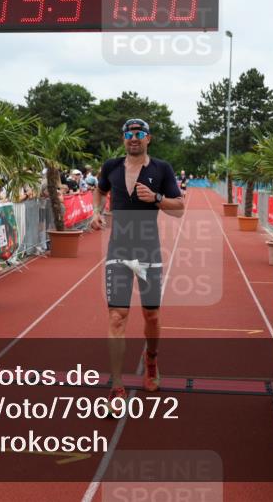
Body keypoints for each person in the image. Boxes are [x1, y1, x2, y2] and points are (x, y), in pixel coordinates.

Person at [91, 119, 184, 409]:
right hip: (118, 250)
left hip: (148, 252)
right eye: (129, 134)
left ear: (148, 139)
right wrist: (96, 211)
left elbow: (179, 208)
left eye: (139, 134)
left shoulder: (162, 169)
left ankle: (151, 360)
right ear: (123, 140)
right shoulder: (111, 167)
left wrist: (156, 198)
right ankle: (116, 385)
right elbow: (100, 190)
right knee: (117, 316)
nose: (134, 138)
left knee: (151, 317)